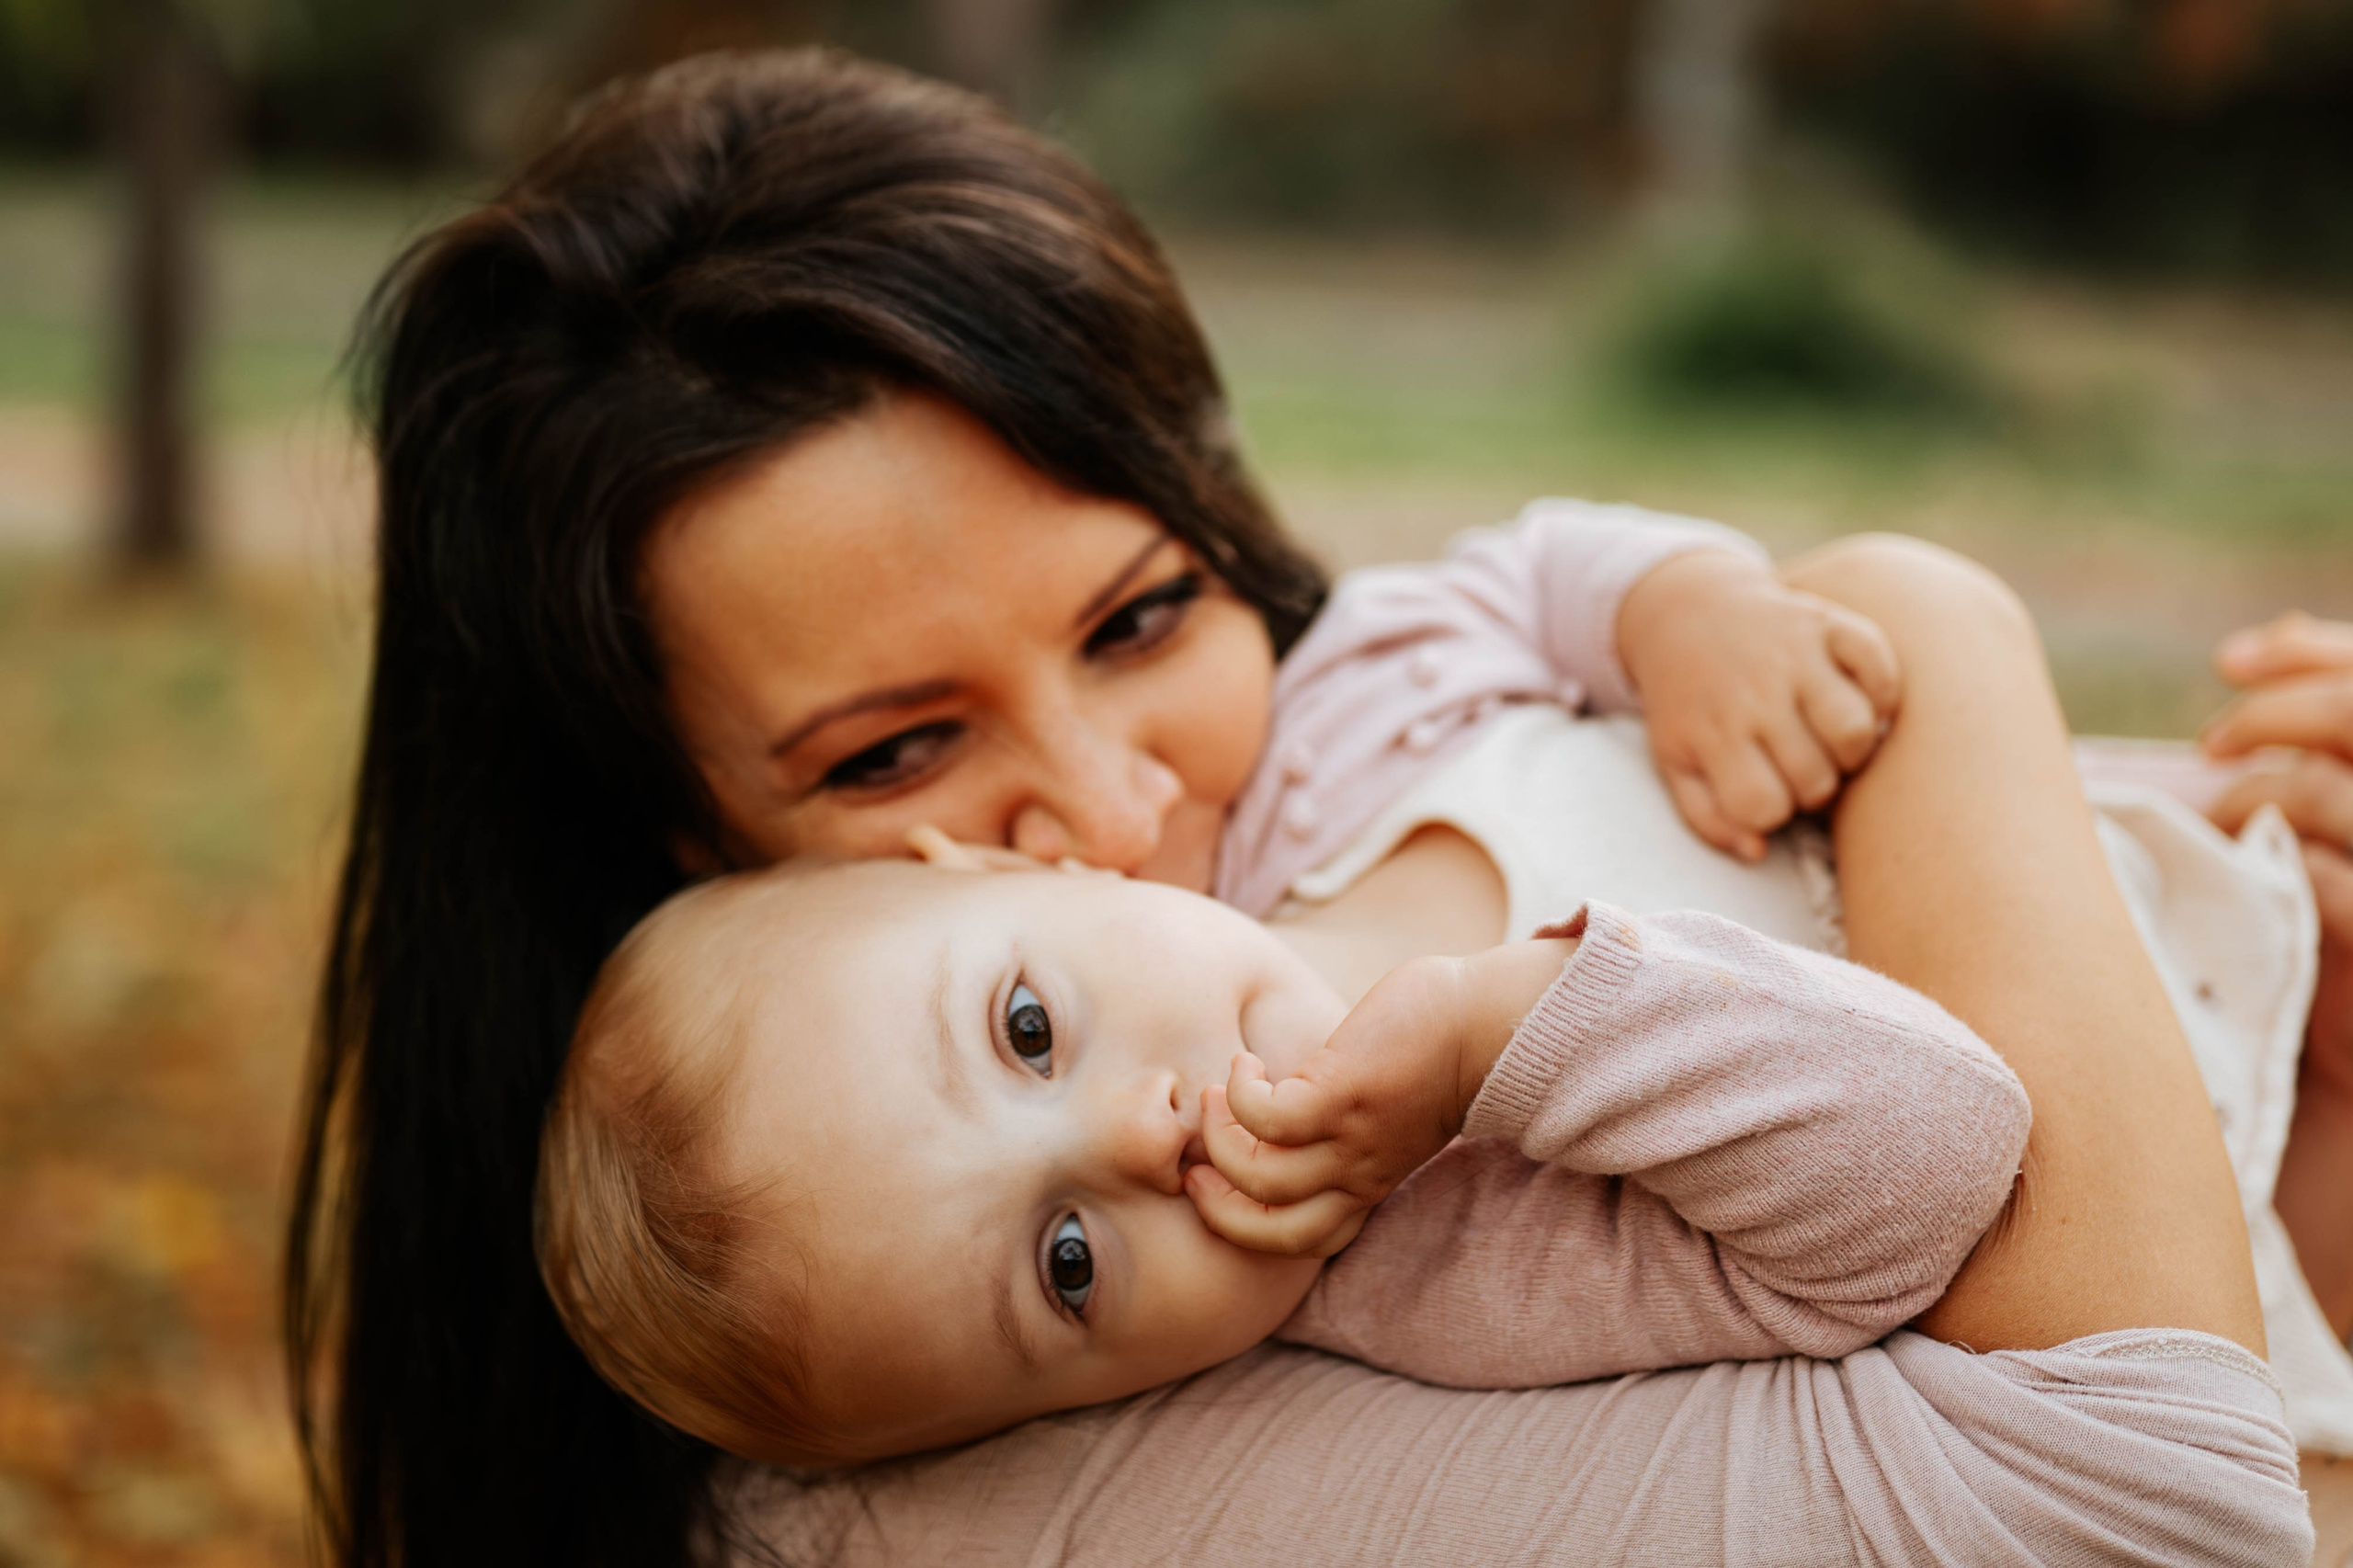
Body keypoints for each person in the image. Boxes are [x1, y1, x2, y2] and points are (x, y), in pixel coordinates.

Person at [290, 46, 2317, 1566]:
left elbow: (1598, 650)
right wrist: (1921, 628)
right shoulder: (1049, 1376)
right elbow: (2143, 1495)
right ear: (657, 841)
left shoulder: (1345, 746)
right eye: (890, 747)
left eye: (1144, 613)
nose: (1103, 804)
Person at [534, 853, 2030, 1465]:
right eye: (1067, 1264)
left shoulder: (1320, 787)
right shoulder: (1465, 1272)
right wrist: (1495, 1033)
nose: (1140, 1131)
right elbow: (1945, 1162)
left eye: (1029, 1026)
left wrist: (1667, 606)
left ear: (1001, 858)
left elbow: (1478, 612)